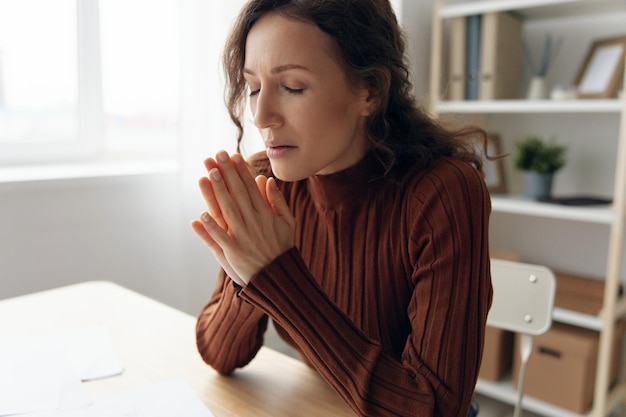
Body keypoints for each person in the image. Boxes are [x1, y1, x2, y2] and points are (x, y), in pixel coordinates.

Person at [190, 1, 493, 416]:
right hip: (326, 401)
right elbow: (218, 352)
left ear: (369, 90)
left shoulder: (442, 192)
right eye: (254, 87)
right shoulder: (268, 181)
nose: (261, 116)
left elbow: (433, 408)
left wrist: (273, 273)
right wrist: (247, 268)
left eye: (293, 87)